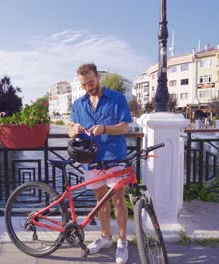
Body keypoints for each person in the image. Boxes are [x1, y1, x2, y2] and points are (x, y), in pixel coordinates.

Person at [68, 63, 132, 264]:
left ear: (98, 76)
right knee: (100, 201)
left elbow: (124, 127)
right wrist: (75, 129)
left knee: (119, 201)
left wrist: (104, 129)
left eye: (91, 82)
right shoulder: (78, 104)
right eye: (84, 84)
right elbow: (70, 129)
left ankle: (122, 241)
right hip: (90, 160)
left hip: (114, 157)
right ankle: (106, 237)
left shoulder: (117, 98)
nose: (88, 87)